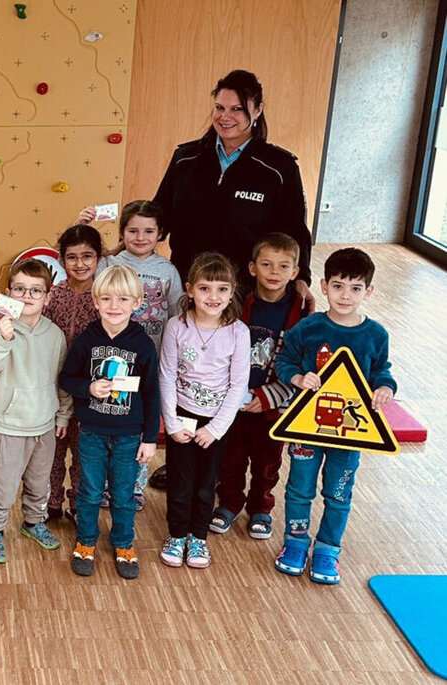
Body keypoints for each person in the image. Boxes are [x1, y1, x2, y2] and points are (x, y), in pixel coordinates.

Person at [274, 248, 395, 585]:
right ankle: (296, 543)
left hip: (348, 432)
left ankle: (328, 548)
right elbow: (285, 361)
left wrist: (385, 388)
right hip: (306, 428)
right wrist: (298, 378)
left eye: (356, 288)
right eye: (339, 286)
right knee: (299, 489)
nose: (346, 295)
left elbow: (382, 371)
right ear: (324, 286)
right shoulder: (307, 328)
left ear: (368, 292)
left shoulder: (376, 335)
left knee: (339, 493)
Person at [152, 69, 314, 302]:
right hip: (187, 285)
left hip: (246, 292)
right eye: (220, 108)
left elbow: (295, 230)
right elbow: (159, 214)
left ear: (258, 109)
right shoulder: (185, 158)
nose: (225, 117)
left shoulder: (279, 168)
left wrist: (302, 277)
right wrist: (126, 246)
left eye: (237, 109)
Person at [60, 266, 160, 580]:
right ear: (95, 301)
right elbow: (66, 378)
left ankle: (123, 543)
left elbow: (152, 391)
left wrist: (150, 437)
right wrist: (89, 387)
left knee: (123, 493)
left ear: (138, 302)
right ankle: (86, 540)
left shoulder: (142, 344)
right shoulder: (86, 339)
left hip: (130, 435)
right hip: (91, 431)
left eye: (123, 299)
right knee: (89, 491)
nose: (114, 305)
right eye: (106, 298)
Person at [211, 233, 309, 541]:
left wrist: (266, 397)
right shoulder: (238, 304)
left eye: (283, 266)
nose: (274, 272)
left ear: (295, 272)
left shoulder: (303, 315)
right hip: (236, 401)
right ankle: (228, 503)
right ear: (253, 268)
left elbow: (302, 367)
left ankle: (261, 508)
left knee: (268, 463)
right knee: (231, 457)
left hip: (274, 406)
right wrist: (237, 394)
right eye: (266, 264)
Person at [158, 253, 250, 570]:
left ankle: (198, 537)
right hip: (182, 415)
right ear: (190, 290)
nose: (213, 297)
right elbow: (167, 374)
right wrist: (170, 423)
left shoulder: (239, 331)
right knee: (181, 481)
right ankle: (177, 534)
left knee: (206, 483)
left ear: (232, 291)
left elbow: (238, 385)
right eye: (205, 288)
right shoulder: (176, 326)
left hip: (216, 422)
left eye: (222, 289)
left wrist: (215, 428)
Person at [0, 259, 71, 564]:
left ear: (47, 297)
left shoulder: (55, 334)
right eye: (20, 289)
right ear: (9, 293)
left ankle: (34, 522)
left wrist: (63, 415)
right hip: (10, 424)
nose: (27, 296)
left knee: (39, 481)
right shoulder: (3, 329)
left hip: (44, 424)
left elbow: (61, 378)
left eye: (35, 291)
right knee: (3, 484)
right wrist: (4, 340)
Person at [96, 200, 183, 511]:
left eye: (149, 230)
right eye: (133, 230)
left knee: (141, 424)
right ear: (122, 232)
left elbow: (176, 314)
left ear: (160, 234)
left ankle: (134, 486)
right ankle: (107, 484)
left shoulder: (167, 270)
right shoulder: (109, 264)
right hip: (114, 362)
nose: (141, 236)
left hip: (151, 363)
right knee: (112, 422)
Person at [42, 224, 102, 521]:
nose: (80, 264)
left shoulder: (105, 297)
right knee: (52, 448)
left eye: (87, 256)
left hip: (91, 389)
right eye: (72, 257)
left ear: (99, 258)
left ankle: (79, 504)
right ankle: (50, 503)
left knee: (84, 452)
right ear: (61, 259)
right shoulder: (53, 295)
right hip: (53, 386)